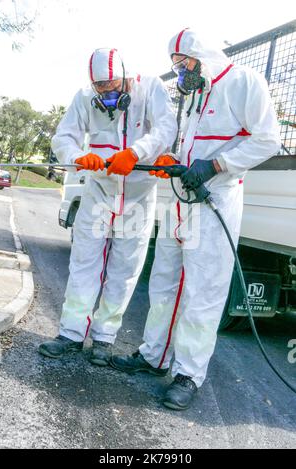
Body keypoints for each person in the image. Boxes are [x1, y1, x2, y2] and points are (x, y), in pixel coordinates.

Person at [111, 29, 281, 410]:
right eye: (175, 65)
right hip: (180, 197)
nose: (180, 71)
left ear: (201, 55)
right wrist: (174, 161)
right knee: (164, 279)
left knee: (202, 290)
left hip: (214, 197)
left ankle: (188, 373)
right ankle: (153, 356)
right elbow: (190, 145)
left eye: (182, 62)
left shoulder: (243, 82)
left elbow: (267, 139)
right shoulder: (194, 94)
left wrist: (218, 164)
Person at [38, 48, 177, 365]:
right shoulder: (84, 98)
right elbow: (63, 138)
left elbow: (167, 128)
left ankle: (103, 338)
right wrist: (76, 157)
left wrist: (137, 152)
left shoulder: (151, 88)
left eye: (113, 87)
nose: (108, 94)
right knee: (84, 265)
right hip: (99, 191)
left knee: (123, 271)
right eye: (101, 88)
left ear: (126, 76)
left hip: (138, 197)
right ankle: (71, 334)